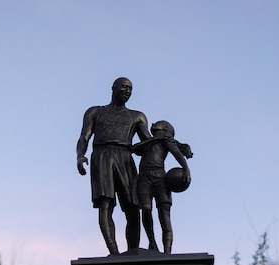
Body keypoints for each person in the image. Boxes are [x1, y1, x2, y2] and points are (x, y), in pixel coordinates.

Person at [76, 77, 151, 255]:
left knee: (133, 207)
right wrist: (80, 156)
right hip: (102, 155)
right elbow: (84, 137)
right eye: (124, 87)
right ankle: (114, 252)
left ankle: (133, 252)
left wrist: (170, 143)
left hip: (125, 157)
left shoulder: (137, 116)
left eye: (130, 89)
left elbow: (148, 142)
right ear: (114, 88)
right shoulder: (95, 112)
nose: (127, 91)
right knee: (106, 203)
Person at [131, 120, 192, 254]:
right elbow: (134, 148)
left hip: (160, 178)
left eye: (157, 124)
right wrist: (154, 140)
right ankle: (152, 242)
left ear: (164, 129)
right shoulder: (149, 142)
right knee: (146, 209)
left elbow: (177, 153)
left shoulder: (166, 142)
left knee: (164, 215)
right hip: (144, 177)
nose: (153, 124)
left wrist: (186, 168)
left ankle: (167, 251)